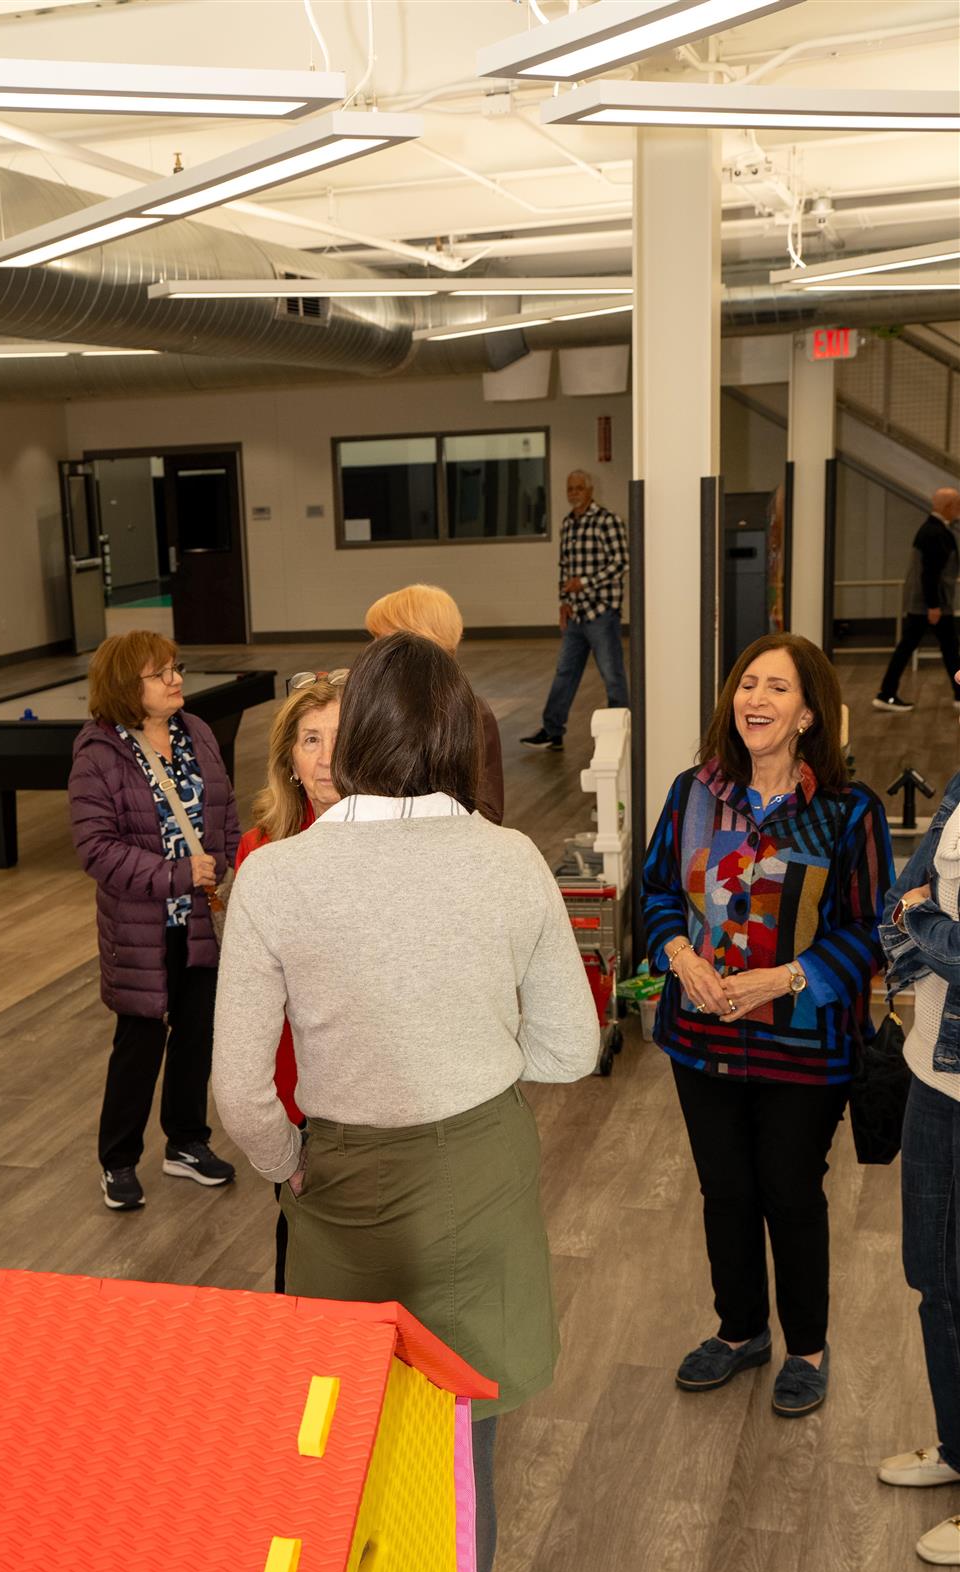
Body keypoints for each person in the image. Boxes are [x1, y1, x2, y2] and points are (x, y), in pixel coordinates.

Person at [212, 633, 599, 1572]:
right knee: (466, 1460)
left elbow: (240, 1091)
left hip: (340, 1180)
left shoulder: (276, 876)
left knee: (342, 1453)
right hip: (482, 1171)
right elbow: (570, 1049)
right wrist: (473, 1052)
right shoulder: (510, 860)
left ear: (352, 741)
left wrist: (291, 1160)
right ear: (457, 736)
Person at [643, 632, 894, 1415]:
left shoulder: (848, 812)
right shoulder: (693, 793)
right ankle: (741, 1330)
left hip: (805, 1043)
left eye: (777, 688)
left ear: (809, 713)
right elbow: (657, 892)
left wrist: (786, 977)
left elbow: (872, 929)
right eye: (747, 684)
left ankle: (807, 1347)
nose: (755, 698)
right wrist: (680, 954)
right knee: (724, 1189)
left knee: (789, 1190)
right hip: (700, 1037)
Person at [69, 630, 240, 1212]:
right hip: (142, 927)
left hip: (201, 920)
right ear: (126, 686)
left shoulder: (198, 732)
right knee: (139, 1044)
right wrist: (177, 874)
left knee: (197, 1033)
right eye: (160, 673)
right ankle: (117, 1161)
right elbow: (96, 849)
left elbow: (224, 808)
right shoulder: (98, 755)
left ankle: (186, 1142)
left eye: (175, 667)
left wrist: (226, 862)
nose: (176, 679)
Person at [235, 673, 345, 1294]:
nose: (327, 757)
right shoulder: (261, 851)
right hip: (298, 1088)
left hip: (378, 1089)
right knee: (302, 1255)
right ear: (290, 760)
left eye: (340, 737)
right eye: (311, 740)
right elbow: (251, 1006)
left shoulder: (397, 845)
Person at [878, 744, 960, 1566]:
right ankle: (957, 1443)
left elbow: (914, 912)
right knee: (934, 1274)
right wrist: (919, 915)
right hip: (934, 1068)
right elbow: (901, 889)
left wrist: (919, 921)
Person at [364, 585, 505, 823]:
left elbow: (487, 811)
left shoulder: (472, 714)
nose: (371, 649)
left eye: (380, 639)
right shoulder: (371, 704)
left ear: (419, 641)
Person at [522, 470, 629, 753]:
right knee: (564, 673)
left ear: (590, 491)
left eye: (579, 488)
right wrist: (564, 602)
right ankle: (552, 731)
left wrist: (585, 583)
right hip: (575, 615)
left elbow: (621, 562)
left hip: (602, 612)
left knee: (612, 675)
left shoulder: (607, 520)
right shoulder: (568, 524)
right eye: (570, 488)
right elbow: (564, 567)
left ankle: (622, 733)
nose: (574, 493)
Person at [873, 486, 960, 715]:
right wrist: (933, 605)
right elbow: (929, 573)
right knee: (944, 648)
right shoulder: (935, 533)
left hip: (929, 604)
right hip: (930, 605)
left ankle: (886, 693)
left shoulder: (933, 530)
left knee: (946, 648)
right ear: (948, 506)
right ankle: (886, 694)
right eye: (957, 504)